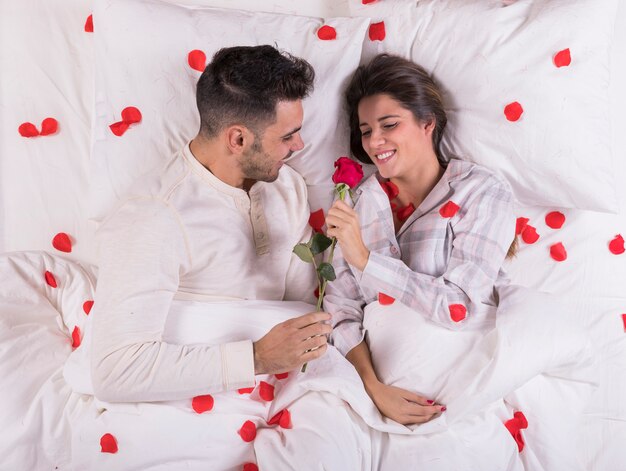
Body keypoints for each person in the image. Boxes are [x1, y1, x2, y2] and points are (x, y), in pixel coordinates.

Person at [90, 45, 331, 402]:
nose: (301, 144)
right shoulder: (156, 215)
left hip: (285, 391)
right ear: (238, 139)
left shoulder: (286, 187)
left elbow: (303, 308)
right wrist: (258, 356)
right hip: (190, 403)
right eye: (286, 136)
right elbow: (115, 370)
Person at [324, 53, 517, 426]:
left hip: (460, 387)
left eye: (389, 125)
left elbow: (460, 307)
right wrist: (372, 388)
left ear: (427, 122)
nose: (374, 141)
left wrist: (367, 261)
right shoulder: (357, 203)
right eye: (365, 131)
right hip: (369, 395)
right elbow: (341, 309)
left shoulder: (479, 192)